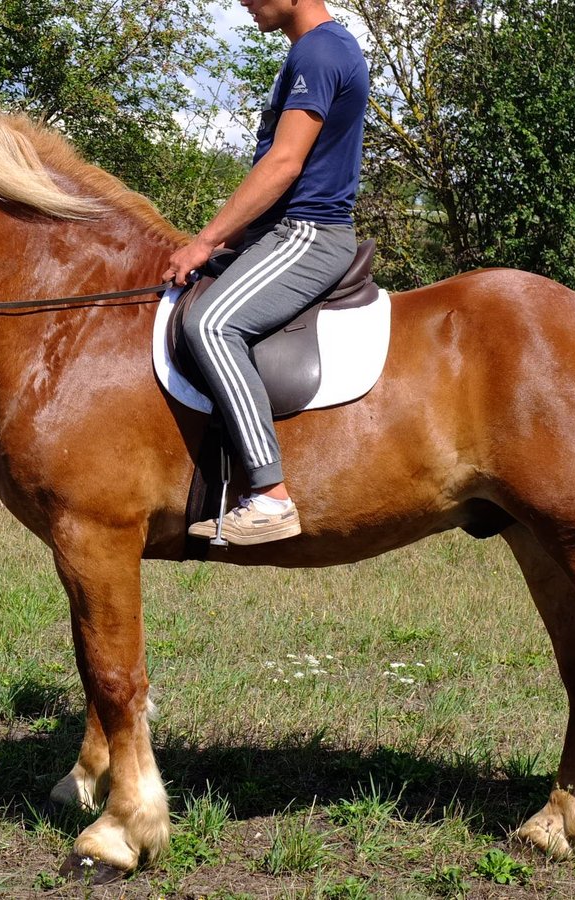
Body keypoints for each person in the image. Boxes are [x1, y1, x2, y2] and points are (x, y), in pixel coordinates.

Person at [164, 0, 368, 545]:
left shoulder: (321, 52)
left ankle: (271, 498)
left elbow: (284, 164)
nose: (243, 3)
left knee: (209, 324)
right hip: (281, 230)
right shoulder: (312, 50)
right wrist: (223, 241)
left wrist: (205, 239)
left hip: (310, 234)